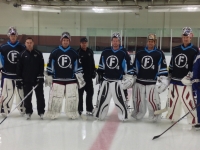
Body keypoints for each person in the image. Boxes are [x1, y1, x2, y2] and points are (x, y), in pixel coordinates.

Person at [93, 32, 134, 121]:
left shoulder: (123, 52)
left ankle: (124, 116)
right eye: (113, 40)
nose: (115, 42)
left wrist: (130, 77)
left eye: (117, 41)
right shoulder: (105, 51)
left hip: (117, 82)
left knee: (120, 101)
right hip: (106, 81)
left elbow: (128, 68)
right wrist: (100, 74)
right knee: (103, 101)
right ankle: (99, 115)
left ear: (119, 42)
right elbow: (101, 65)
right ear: (111, 41)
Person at [45, 32, 85, 120]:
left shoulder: (74, 52)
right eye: (64, 40)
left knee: (72, 98)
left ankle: (72, 113)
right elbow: (50, 64)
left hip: (71, 80)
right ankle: (53, 113)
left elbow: (77, 66)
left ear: (69, 41)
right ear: (61, 40)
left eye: (67, 40)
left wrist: (79, 77)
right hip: (57, 79)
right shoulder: (55, 52)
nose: (65, 42)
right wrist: (49, 75)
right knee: (56, 97)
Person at [131, 34, 169, 122]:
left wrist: (162, 79)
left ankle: (155, 115)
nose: (150, 43)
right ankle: (138, 114)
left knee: (152, 100)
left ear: (155, 42)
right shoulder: (140, 52)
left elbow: (162, 68)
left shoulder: (159, 53)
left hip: (152, 82)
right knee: (139, 100)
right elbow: (135, 66)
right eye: (149, 41)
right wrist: (133, 77)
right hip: (140, 81)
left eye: (152, 41)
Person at [167, 27, 198, 125]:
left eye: (187, 36)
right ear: (182, 37)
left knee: (188, 101)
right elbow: (172, 64)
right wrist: (168, 75)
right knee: (173, 100)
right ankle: (173, 118)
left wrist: (193, 76)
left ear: (191, 36)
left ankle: (193, 120)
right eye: (184, 36)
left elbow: (196, 65)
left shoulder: (195, 50)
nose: (185, 38)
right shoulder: (175, 49)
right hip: (174, 80)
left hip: (186, 82)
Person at [16, 37, 45, 120]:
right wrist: (19, 79)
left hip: (37, 80)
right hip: (26, 80)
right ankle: (28, 112)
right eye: (27, 42)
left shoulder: (38, 53)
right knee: (27, 97)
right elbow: (19, 68)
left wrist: (40, 76)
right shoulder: (21, 54)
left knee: (40, 96)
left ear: (33, 43)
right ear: (25, 43)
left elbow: (41, 66)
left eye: (30, 42)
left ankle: (41, 112)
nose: (29, 44)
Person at [0, 27, 25, 116]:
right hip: (7, 75)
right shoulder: (3, 47)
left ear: (16, 36)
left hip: (19, 75)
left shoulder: (22, 46)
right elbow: (1, 60)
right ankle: (4, 109)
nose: (13, 37)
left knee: (21, 93)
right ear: (9, 36)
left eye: (14, 35)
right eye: (11, 35)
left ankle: (22, 108)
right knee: (6, 93)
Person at [77, 37, 96, 116]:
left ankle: (89, 109)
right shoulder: (77, 52)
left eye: (85, 42)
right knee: (80, 95)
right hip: (80, 78)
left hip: (88, 78)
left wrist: (94, 71)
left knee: (90, 93)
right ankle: (80, 109)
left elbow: (92, 63)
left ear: (87, 43)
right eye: (82, 42)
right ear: (80, 43)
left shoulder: (90, 51)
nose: (84, 44)